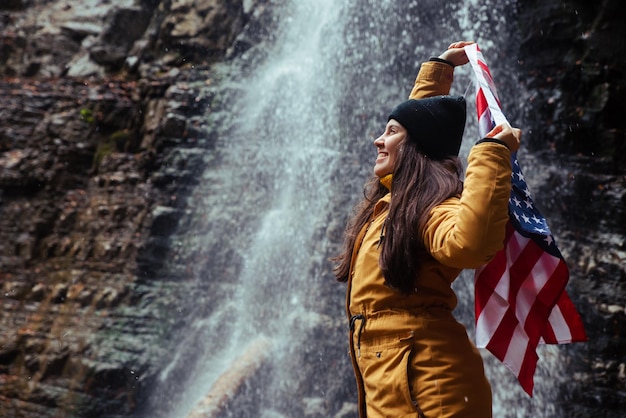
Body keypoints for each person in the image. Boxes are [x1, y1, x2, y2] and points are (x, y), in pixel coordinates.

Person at [334, 41, 521, 417]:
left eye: (388, 133)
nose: (377, 140)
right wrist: (439, 69)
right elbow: (422, 126)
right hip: (398, 381)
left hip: (431, 390)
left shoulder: (431, 208)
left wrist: (490, 154)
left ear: (413, 147)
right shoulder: (398, 200)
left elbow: (469, 244)